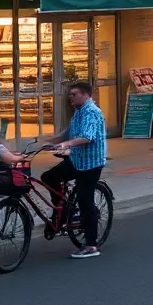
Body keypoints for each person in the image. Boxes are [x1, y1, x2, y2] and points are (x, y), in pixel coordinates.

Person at [39, 81, 108, 259]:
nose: (71, 97)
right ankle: (63, 209)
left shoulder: (91, 112)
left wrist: (66, 144)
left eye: (74, 94)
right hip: (76, 160)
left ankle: (91, 245)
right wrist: (47, 140)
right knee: (48, 177)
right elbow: (67, 133)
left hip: (90, 164)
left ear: (85, 94)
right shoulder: (78, 112)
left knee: (86, 202)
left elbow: (87, 137)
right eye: (70, 94)